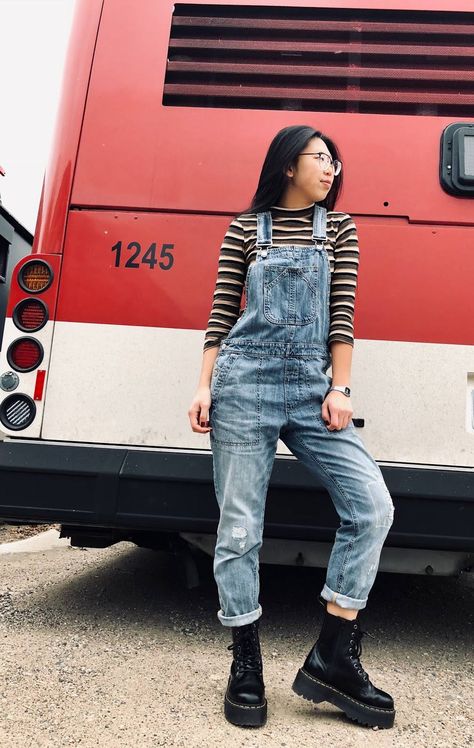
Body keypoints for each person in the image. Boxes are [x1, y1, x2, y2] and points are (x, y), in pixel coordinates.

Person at [188, 125, 395, 730]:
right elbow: (222, 310)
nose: (331, 169)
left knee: (372, 507)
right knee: (239, 528)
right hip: (243, 383)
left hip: (312, 385)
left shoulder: (342, 230)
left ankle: (332, 653)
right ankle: (246, 661)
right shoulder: (244, 229)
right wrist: (203, 385)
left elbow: (343, 316)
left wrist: (341, 387)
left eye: (335, 161)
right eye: (319, 158)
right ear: (287, 166)